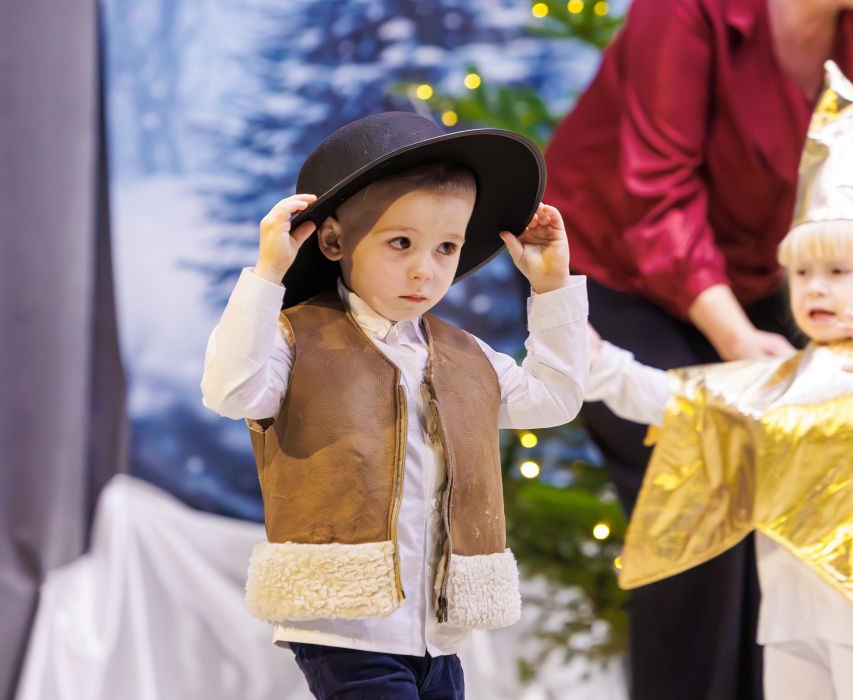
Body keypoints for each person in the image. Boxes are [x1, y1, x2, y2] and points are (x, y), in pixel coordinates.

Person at [543, 1, 853, 695]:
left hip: (775, 273)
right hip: (625, 268)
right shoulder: (684, 14)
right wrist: (614, 361)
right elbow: (656, 200)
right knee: (699, 486)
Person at [200, 112, 590, 699]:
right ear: (334, 241)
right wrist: (268, 274)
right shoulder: (296, 339)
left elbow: (555, 397)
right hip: (348, 628)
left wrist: (553, 288)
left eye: (446, 247)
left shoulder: (464, 356)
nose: (424, 270)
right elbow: (230, 390)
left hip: (438, 637)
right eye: (401, 243)